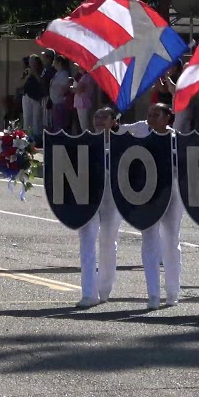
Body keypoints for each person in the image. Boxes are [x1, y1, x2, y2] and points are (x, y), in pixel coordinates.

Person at [121, 103, 183, 309]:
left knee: (171, 239)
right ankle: (153, 295)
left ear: (168, 118)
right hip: (146, 192)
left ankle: (172, 292)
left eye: (156, 115)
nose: (151, 118)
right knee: (149, 237)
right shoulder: (140, 133)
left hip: (171, 191)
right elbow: (116, 133)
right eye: (149, 114)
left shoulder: (177, 139)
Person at [76, 107, 122, 308]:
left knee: (107, 241)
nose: (99, 120)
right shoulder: (83, 141)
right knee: (86, 241)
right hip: (87, 196)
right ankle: (88, 292)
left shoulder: (122, 144)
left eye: (104, 116)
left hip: (112, 198)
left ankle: (104, 288)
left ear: (114, 121)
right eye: (97, 116)